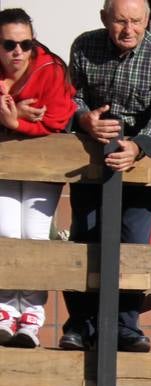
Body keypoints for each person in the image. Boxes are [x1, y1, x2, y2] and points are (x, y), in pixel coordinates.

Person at [60, 0, 151, 354]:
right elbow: (73, 96)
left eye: (137, 22)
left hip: (138, 161)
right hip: (90, 158)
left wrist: (139, 146)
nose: (129, 30)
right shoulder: (84, 44)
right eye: (120, 21)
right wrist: (84, 119)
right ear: (104, 19)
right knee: (86, 236)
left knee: (134, 243)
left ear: (148, 20)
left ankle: (126, 325)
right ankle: (80, 323)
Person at [0, 7, 76, 347]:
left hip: (42, 165)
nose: (18, 52)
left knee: (33, 236)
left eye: (25, 44)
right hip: (3, 165)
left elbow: (58, 119)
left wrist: (16, 123)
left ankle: (30, 318)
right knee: (5, 231)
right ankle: (3, 311)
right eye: (9, 45)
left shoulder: (51, 68)